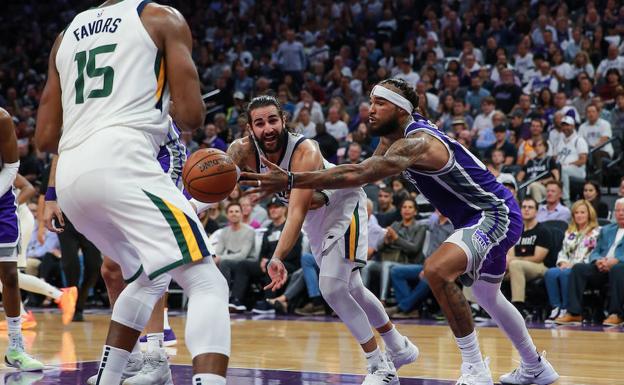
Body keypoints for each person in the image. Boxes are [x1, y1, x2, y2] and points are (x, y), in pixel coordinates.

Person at [242, 78, 559, 385]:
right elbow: (358, 178)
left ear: (402, 110)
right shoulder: (390, 141)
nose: (371, 110)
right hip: (473, 219)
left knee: (436, 270)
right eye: (370, 103)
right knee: (487, 296)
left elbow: (362, 171)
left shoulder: (418, 142)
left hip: (493, 213)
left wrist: (294, 180)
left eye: (380, 103)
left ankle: (475, 368)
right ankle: (535, 366)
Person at [35, 2, 230, 384]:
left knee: (145, 277)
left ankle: (111, 377)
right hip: (124, 158)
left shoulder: (65, 35)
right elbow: (191, 116)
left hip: (73, 174)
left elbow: (44, 137)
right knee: (207, 280)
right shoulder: (161, 17)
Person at [228, 95, 418, 385]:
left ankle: (379, 365)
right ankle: (399, 347)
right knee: (352, 288)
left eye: (272, 120)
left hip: (343, 205)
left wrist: (278, 256)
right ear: (249, 127)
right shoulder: (241, 152)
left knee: (331, 288)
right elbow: (215, 185)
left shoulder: (305, 150)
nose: (267, 128)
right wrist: (190, 207)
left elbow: (295, 212)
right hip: (316, 222)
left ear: (284, 121)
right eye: (259, 122)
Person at [0, 108, 44, 370]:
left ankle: (16, 347)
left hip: (2, 200)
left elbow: (12, 166)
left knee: (10, 275)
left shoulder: (2, 118)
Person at [555, 198, 624, 327]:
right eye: (618, 210)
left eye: (623, 210)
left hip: (620, 267)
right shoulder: (607, 229)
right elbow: (596, 250)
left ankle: (616, 314)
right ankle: (574, 313)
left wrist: (616, 260)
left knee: (618, 269)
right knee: (579, 268)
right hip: (603, 266)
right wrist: (597, 260)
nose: (620, 213)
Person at [544, 200, 599, 323]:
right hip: (566, 265)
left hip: (582, 267)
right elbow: (563, 251)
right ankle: (556, 307)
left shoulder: (596, 232)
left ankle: (566, 308)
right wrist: (562, 262)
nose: (579, 215)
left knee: (566, 273)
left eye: (582, 212)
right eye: (576, 213)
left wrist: (573, 265)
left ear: (589, 214)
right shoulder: (569, 232)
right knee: (551, 273)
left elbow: (592, 254)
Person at [505, 198, 551, 319]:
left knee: (515, 264)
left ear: (536, 211)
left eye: (530, 207)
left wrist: (514, 260)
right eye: (524, 207)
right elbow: (510, 254)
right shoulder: (516, 230)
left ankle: (518, 307)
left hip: (540, 267)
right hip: (517, 268)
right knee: (487, 266)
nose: (526, 209)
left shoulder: (543, 230)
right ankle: (479, 307)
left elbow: (538, 257)